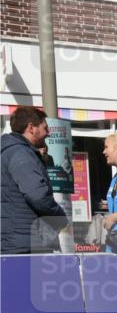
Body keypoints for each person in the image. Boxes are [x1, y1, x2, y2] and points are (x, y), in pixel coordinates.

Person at [1, 106, 68, 254]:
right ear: (31, 128)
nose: (48, 133)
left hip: (13, 241)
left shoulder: (8, 152)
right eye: (45, 128)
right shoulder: (21, 154)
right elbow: (38, 196)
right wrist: (60, 217)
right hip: (26, 244)